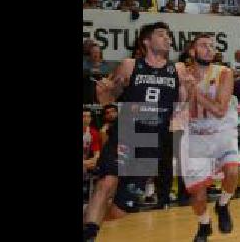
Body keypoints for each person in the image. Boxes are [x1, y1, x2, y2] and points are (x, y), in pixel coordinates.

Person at [83, 22, 197, 242]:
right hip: (128, 130)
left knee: (120, 210)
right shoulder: (129, 65)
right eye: (161, 34)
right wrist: (104, 91)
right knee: (107, 181)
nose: (167, 38)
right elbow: (109, 99)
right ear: (146, 41)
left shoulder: (178, 69)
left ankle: (89, 220)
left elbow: (183, 108)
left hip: (152, 141)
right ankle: (90, 234)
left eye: (169, 35)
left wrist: (191, 90)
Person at [181, 34, 240, 241]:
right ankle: (204, 225)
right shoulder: (182, 74)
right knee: (197, 194)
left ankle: (223, 204)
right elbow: (182, 110)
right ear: (192, 51)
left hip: (222, 130)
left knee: (233, 172)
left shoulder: (224, 72)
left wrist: (194, 92)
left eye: (211, 46)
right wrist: (185, 92)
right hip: (196, 135)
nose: (209, 49)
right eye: (203, 45)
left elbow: (219, 110)